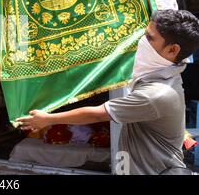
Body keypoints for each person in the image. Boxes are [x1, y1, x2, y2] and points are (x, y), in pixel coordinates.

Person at [17, 10, 199, 175]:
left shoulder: (156, 94)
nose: (142, 41)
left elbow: (96, 115)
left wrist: (47, 119)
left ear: (172, 50)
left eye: (149, 38)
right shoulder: (161, 75)